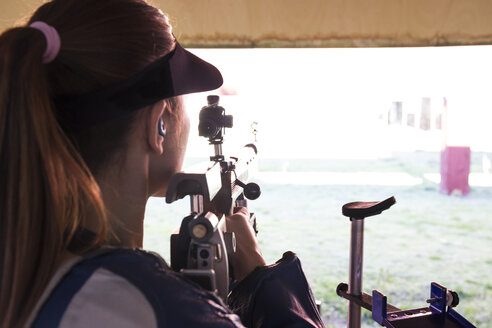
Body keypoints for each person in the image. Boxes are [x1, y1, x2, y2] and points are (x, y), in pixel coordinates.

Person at [0, 0, 324, 327]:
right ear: (159, 124)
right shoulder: (160, 309)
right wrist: (259, 274)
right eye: (183, 99)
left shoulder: (26, 272)